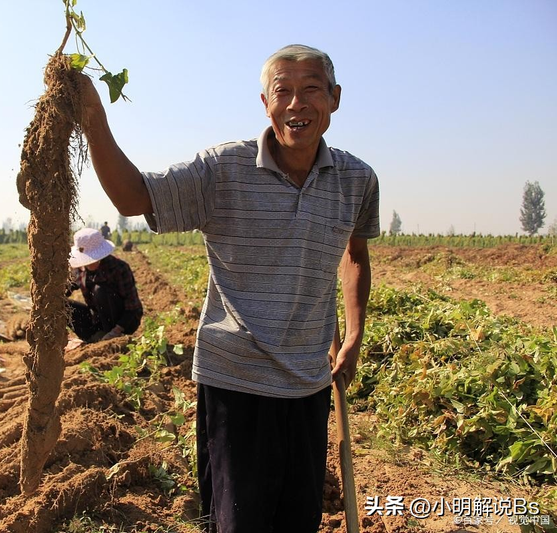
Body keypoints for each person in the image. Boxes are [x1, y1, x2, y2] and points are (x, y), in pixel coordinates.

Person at [76, 44, 379, 532]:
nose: (297, 104)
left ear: (335, 98)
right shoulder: (222, 171)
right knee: (239, 523)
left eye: (311, 90)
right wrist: (93, 117)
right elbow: (134, 195)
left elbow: (355, 256)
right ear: (266, 103)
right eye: (284, 92)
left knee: (297, 520)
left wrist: (354, 335)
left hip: (308, 383)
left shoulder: (357, 180)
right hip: (236, 382)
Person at [66, 227, 143, 343]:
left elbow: (133, 308)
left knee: (100, 290)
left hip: (124, 321)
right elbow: (64, 290)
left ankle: (111, 336)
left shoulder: (119, 268)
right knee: (63, 305)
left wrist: (116, 331)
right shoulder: (79, 270)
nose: (90, 262)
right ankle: (94, 337)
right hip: (98, 319)